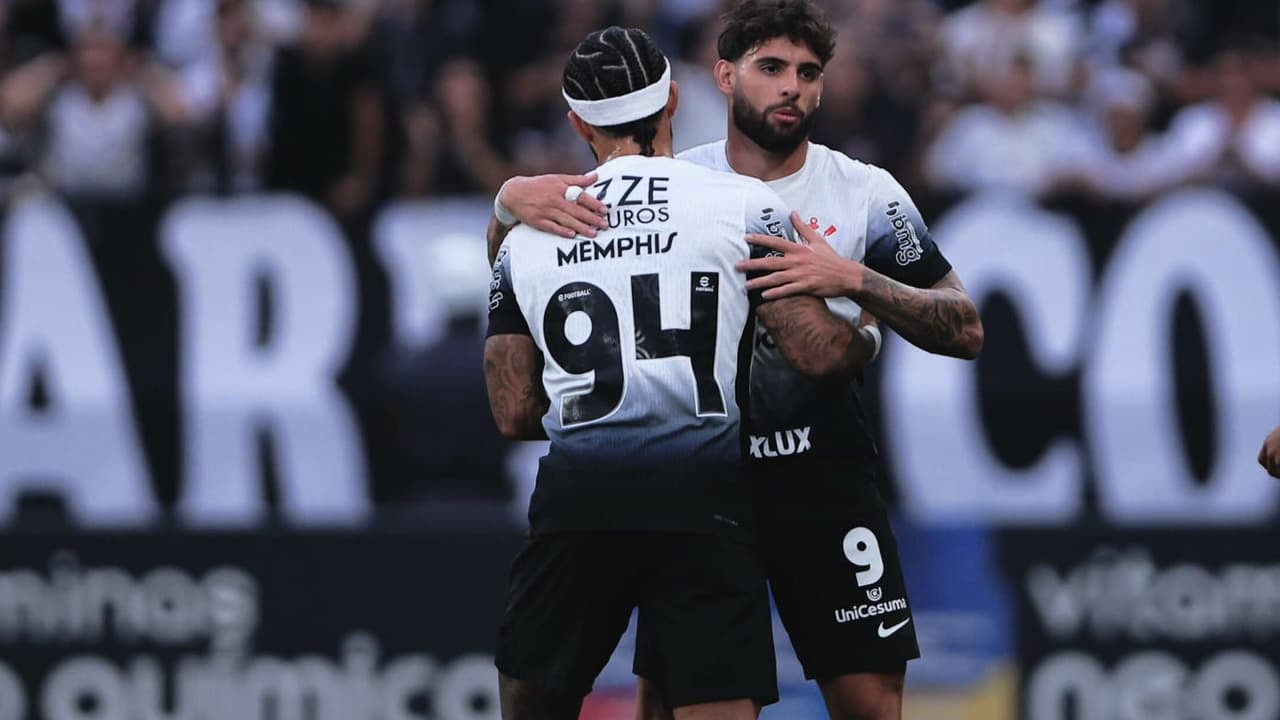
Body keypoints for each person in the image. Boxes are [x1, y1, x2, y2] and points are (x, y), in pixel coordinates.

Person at [490, 3, 985, 719]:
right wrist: (510, 199)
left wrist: (856, 279)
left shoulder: (865, 192)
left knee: (871, 704)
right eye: (771, 68)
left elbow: (965, 327)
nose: (791, 87)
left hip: (817, 473)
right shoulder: (688, 183)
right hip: (712, 483)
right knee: (668, 701)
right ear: (721, 77)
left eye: (808, 73)